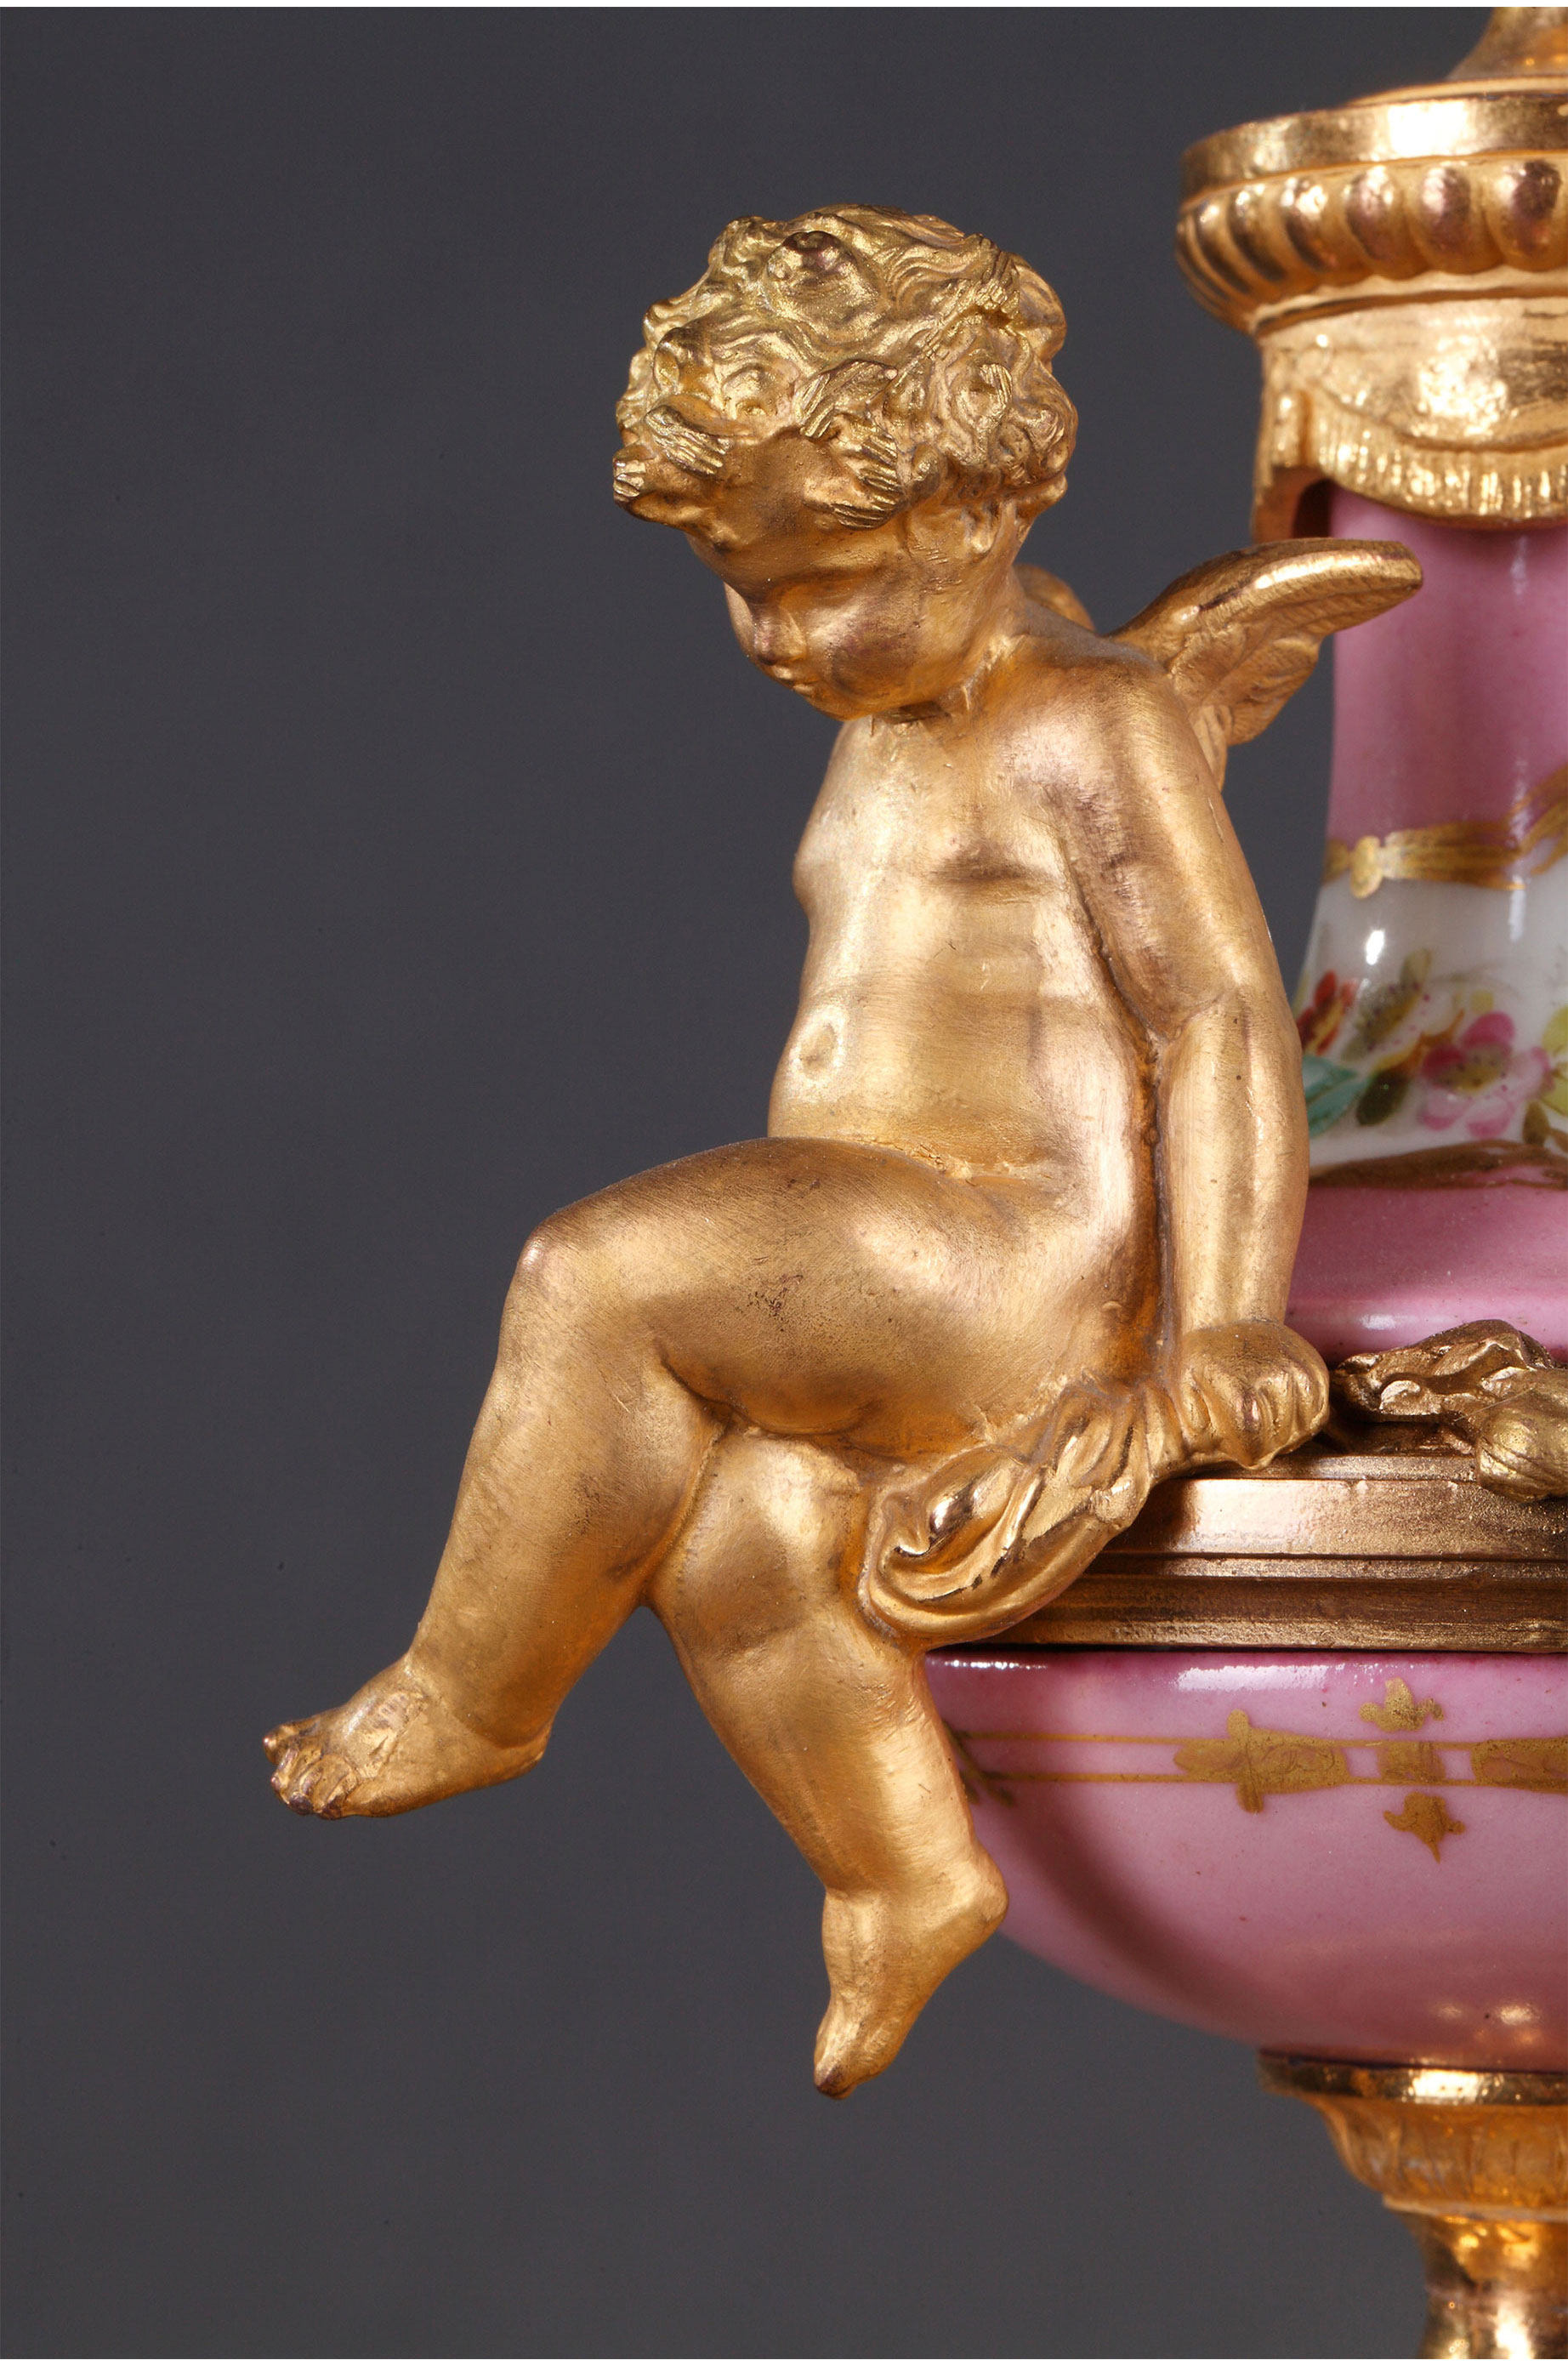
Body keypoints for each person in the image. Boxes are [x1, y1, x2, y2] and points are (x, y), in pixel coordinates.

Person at [267, 207, 1409, 2095]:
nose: (783, 639)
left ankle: (473, 1693)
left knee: (599, 1274)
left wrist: (1222, 1317)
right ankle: (898, 1873)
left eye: (829, 583)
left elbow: (1213, 1015)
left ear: (977, 508)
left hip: (1006, 1252)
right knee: (744, 1538)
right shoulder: (890, 702)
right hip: (889, 1253)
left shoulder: (1092, 718)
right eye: (745, 589)